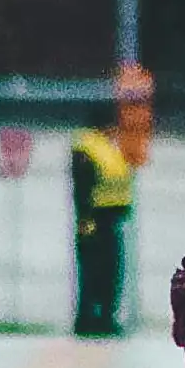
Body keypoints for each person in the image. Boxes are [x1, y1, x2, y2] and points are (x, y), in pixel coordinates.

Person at [70, 115, 136, 337]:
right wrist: (85, 219)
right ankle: (90, 319)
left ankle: (101, 318)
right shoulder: (89, 148)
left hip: (110, 219)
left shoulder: (105, 147)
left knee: (110, 272)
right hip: (95, 220)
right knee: (94, 272)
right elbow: (83, 186)